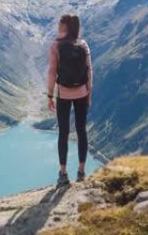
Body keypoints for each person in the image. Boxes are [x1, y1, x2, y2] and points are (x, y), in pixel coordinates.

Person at [47, 14, 93, 187]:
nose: (58, 24)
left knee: (63, 133)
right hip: (81, 92)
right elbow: (89, 71)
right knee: (82, 131)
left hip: (64, 94)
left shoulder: (56, 46)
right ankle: (81, 171)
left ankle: (63, 173)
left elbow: (52, 72)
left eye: (60, 22)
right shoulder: (83, 44)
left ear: (65, 26)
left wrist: (50, 95)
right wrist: (89, 91)